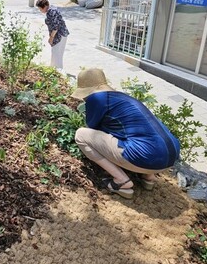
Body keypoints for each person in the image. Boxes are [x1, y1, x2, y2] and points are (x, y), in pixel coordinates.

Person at [71, 68, 180, 199]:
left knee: (81, 135)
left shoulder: (96, 98)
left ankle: (121, 181)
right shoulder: (123, 98)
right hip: (171, 156)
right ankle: (149, 177)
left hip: (146, 157)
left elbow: (92, 127)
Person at [35, 0, 70, 73]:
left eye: (40, 9)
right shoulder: (52, 8)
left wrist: (51, 38)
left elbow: (55, 27)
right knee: (58, 54)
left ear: (44, 6)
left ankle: (57, 72)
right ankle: (57, 71)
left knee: (56, 54)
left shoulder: (51, 12)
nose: (40, 11)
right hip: (63, 33)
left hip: (59, 35)